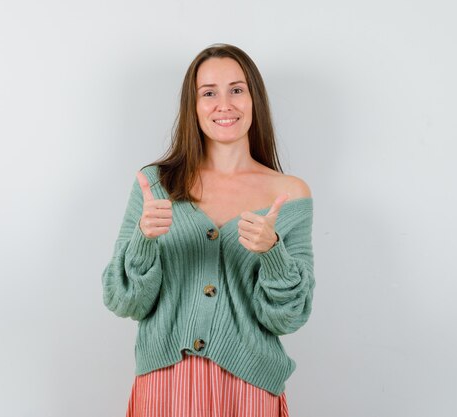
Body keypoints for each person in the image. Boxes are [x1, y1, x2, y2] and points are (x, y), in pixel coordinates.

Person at [101, 43, 315, 417]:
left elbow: (288, 317)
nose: (224, 104)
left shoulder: (289, 194)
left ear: (254, 99)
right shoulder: (155, 185)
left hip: (249, 387)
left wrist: (273, 253)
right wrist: (144, 242)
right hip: (165, 385)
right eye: (209, 93)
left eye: (236, 89)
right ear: (193, 106)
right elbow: (126, 302)